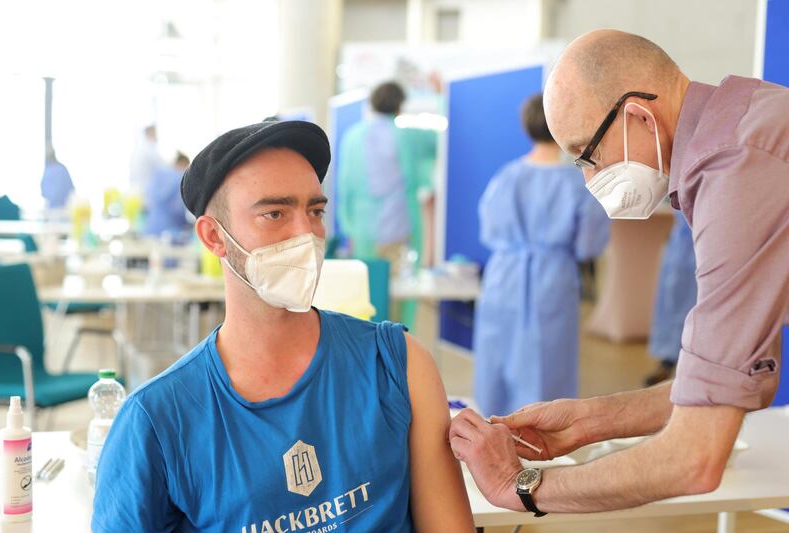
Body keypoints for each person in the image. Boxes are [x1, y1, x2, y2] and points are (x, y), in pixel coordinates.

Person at [450, 29, 787, 516]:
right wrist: (592, 420)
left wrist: (519, 486)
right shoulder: (747, 120)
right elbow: (732, 383)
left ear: (637, 116)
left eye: (590, 154)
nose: (589, 180)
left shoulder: (736, 171)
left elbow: (694, 456)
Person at [92, 120, 474, 532]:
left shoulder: (395, 364)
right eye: (274, 213)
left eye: (315, 211)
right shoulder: (159, 419)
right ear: (214, 237)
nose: (305, 234)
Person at [473, 93, 609, 418]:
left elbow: (488, 230)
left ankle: (492, 434)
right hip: (553, 276)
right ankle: (541, 441)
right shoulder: (577, 182)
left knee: (497, 359)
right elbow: (589, 245)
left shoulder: (505, 177)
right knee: (547, 363)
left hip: (502, 277)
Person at [337, 81, 437, 324]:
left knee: (366, 301)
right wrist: (440, 95)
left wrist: (349, 228)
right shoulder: (407, 136)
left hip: (363, 235)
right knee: (400, 306)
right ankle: (397, 355)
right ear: (400, 106)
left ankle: (369, 357)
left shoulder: (352, 137)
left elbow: (344, 189)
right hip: (399, 233)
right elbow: (441, 141)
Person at [644, 211, 697, 386]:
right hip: (681, 246)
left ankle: (692, 371)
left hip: (706, 246)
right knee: (672, 308)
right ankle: (667, 363)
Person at [143, 152, 191, 241]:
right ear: (182, 164)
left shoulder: (159, 173)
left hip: (152, 226)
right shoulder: (179, 178)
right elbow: (178, 209)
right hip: (170, 229)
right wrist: (187, 224)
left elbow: (149, 197)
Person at [129, 124, 164, 195]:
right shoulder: (148, 149)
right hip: (144, 192)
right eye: (154, 133)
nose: (156, 136)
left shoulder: (138, 149)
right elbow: (163, 166)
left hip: (135, 191)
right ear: (150, 133)